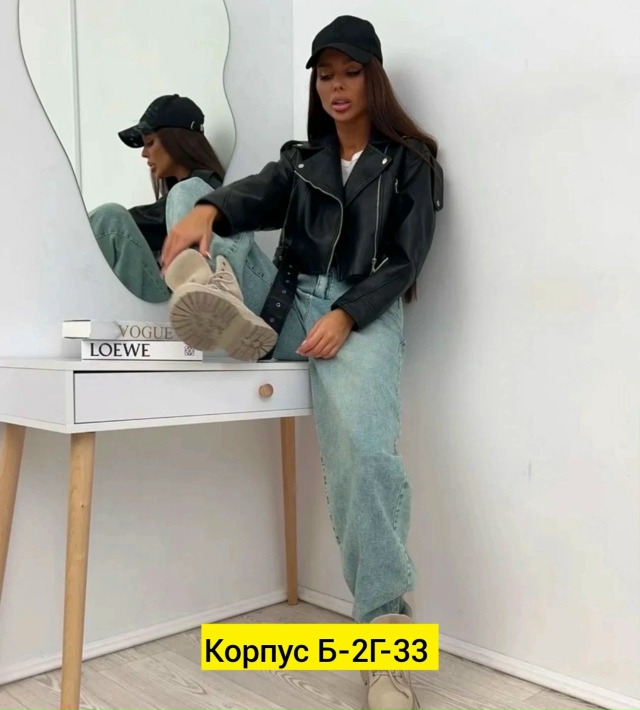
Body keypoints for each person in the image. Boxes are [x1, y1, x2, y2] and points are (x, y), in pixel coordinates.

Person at [162, 15, 443, 710]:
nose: (336, 87)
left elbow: (406, 260)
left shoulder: (412, 162)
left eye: (350, 73)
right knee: (195, 194)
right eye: (325, 75)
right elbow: (255, 194)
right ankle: (222, 297)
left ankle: (386, 638)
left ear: (373, 80)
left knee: (365, 456)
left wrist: (347, 314)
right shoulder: (300, 161)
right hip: (288, 301)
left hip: (361, 311)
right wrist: (209, 213)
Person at [88, 94, 226, 302]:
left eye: (150, 143)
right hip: (173, 300)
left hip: (186, 304)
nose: (144, 154)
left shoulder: (201, 188)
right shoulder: (178, 196)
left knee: (110, 219)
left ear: (176, 142)